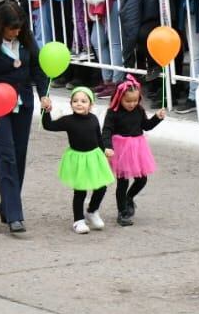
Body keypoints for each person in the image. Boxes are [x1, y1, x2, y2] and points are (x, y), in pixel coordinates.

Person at [0, 2, 49, 234]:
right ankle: (15, 215)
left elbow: (38, 67)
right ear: (0, 26)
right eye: (11, 28)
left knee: (19, 155)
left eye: (18, 28)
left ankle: (8, 205)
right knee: (6, 157)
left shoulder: (25, 39)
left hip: (23, 104)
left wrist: (43, 94)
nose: (16, 32)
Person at [43, 86, 116, 234]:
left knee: (101, 187)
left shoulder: (94, 119)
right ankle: (78, 220)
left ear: (91, 104)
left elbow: (99, 138)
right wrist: (46, 111)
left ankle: (92, 211)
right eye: (75, 101)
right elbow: (48, 125)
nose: (79, 104)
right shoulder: (68, 121)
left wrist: (104, 151)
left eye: (83, 101)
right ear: (71, 104)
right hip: (78, 159)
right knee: (80, 191)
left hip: (94, 157)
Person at [102, 77, 163, 226]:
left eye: (135, 100)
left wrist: (157, 118)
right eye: (128, 101)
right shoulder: (113, 112)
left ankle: (129, 198)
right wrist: (107, 146)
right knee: (122, 182)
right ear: (119, 98)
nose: (132, 104)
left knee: (142, 179)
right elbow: (106, 131)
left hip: (137, 148)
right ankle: (122, 212)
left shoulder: (139, 110)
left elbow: (146, 126)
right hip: (120, 150)